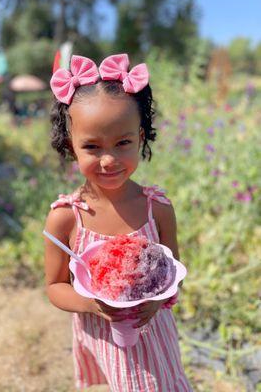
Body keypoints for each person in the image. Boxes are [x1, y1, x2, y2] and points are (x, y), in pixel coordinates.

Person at [43, 53, 193, 391]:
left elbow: (174, 271)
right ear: (72, 146)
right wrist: (93, 304)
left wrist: (159, 300)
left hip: (154, 335)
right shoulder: (66, 217)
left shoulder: (158, 208)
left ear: (140, 137)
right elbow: (54, 286)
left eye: (123, 143)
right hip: (103, 336)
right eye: (92, 146)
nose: (109, 160)